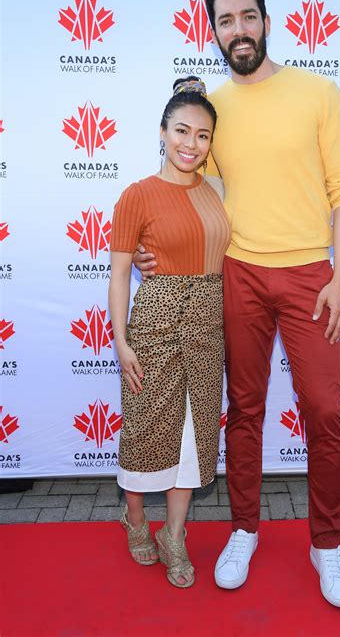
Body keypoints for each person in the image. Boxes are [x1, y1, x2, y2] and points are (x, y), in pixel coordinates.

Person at [136, 0, 340, 608]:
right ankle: (243, 529)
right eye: (226, 20)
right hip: (236, 274)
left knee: (324, 411)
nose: (238, 29)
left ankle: (328, 545)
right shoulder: (212, 112)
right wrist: (154, 248)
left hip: (309, 277)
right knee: (244, 410)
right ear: (213, 32)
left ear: (266, 20)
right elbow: (183, 189)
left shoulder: (319, 92)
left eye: (248, 16)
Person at [108, 77, 231, 588]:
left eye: (203, 136)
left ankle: (173, 536)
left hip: (207, 319)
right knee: (145, 429)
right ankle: (136, 520)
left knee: (192, 437)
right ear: (162, 132)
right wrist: (121, 340)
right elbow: (118, 273)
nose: (191, 144)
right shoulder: (137, 195)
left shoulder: (218, 191)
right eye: (182, 130)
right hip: (155, 321)